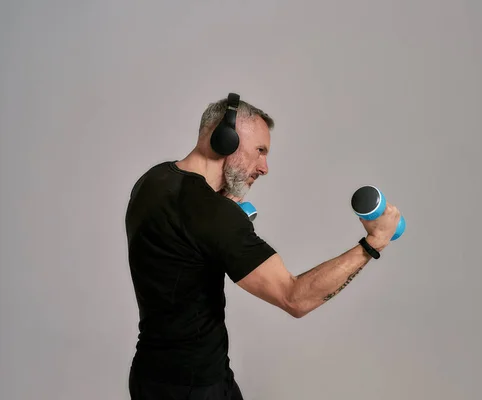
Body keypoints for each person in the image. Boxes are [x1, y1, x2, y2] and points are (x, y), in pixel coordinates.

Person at [125, 93, 401, 400]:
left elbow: (180, 243)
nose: (264, 167)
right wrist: (372, 243)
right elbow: (294, 297)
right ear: (224, 138)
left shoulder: (152, 181)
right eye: (259, 151)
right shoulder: (215, 216)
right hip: (197, 387)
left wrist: (219, 211)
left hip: (150, 376)